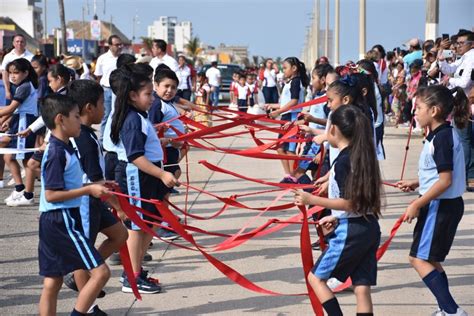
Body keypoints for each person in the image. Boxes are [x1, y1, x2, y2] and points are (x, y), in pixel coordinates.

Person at [293, 105, 382, 316]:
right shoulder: (360, 156)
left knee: (315, 278)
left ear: (333, 130)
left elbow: (351, 202)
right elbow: (358, 203)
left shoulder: (344, 161)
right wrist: (334, 216)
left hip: (351, 231)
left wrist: (311, 199)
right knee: (361, 287)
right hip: (368, 228)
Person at [396, 85, 470, 316]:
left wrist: (417, 203)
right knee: (431, 260)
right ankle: (446, 308)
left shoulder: (442, 138)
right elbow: (441, 173)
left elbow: (446, 180)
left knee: (418, 259)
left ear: (435, 110)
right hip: (442, 204)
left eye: (418, 107)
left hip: (440, 206)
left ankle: (452, 311)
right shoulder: (440, 135)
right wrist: (417, 182)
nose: (414, 112)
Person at [37, 94, 110, 316]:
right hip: (62, 219)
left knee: (53, 282)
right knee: (101, 273)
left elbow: (66, 184)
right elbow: (51, 194)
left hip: (53, 220)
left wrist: (101, 184)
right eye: (76, 117)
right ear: (60, 119)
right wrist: (89, 189)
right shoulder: (57, 152)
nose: (80, 121)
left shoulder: (64, 147)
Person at [110, 67, 178, 294]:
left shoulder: (140, 117)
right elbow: (135, 156)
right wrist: (162, 174)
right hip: (136, 175)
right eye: (148, 94)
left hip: (148, 176)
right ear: (132, 95)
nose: (152, 99)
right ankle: (131, 276)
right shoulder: (132, 120)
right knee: (137, 228)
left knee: (151, 222)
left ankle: (136, 270)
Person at [64, 80, 128, 309]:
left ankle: (85, 278)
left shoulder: (87, 134)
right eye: (102, 103)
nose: (105, 108)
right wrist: (120, 207)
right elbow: (94, 181)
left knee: (120, 235)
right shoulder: (83, 138)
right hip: (84, 202)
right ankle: (88, 307)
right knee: (84, 254)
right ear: (89, 107)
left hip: (94, 201)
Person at [0, 59, 38, 205]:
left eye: (16, 73)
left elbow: (10, 109)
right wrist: (8, 121)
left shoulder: (24, 87)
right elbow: (14, 110)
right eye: (10, 73)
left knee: (27, 159)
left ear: (26, 73)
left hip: (25, 123)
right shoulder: (21, 86)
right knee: (9, 156)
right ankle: (20, 188)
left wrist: (6, 117)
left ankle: (28, 194)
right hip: (19, 121)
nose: (12, 76)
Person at [265, 57, 309, 180]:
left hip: (292, 117)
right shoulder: (290, 81)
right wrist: (273, 106)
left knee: (290, 150)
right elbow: (287, 102)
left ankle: (292, 176)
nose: (283, 70)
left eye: (285, 68)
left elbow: (294, 101)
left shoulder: (296, 81)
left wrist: (278, 111)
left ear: (294, 69)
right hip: (286, 116)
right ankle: (289, 175)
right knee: (280, 148)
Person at [94, 35, 122, 143]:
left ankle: (114, 139)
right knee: (106, 115)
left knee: (118, 114)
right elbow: (98, 76)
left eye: (120, 44)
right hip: (106, 90)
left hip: (119, 91)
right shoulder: (103, 58)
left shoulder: (122, 58)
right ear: (110, 46)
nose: (119, 47)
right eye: (116, 45)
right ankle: (102, 141)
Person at [0, 34, 34, 105]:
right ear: (13, 43)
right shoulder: (8, 57)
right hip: (12, 87)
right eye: (17, 41)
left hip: (26, 86)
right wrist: (7, 91)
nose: (19, 43)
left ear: (25, 43)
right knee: (9, 110)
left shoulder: (31, 57)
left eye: (22, 41)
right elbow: (4, 73)